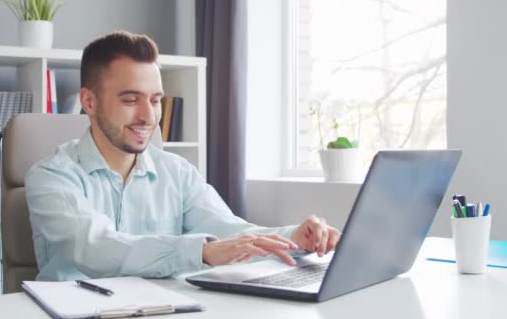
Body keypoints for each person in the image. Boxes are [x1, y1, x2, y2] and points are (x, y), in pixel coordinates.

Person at [25, 30, 341, 281]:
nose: (148, 117)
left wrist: (294, 237)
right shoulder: (52, 176)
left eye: (155, 99)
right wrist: (202, 252)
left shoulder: (177, 172)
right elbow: (94, 248)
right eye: (130, 99)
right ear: (89, 102)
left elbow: (230, 231)